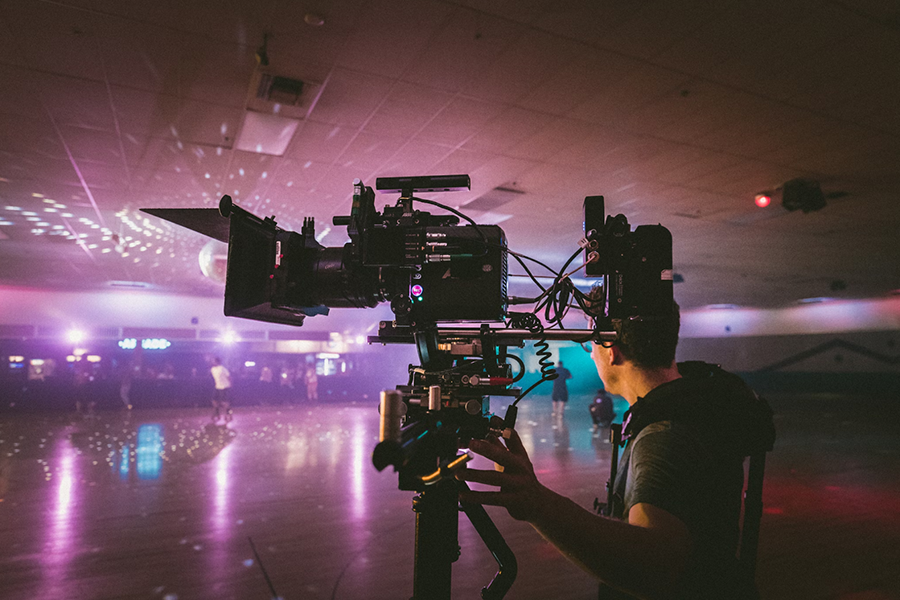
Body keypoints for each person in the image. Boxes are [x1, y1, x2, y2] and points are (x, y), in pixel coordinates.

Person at [458, 302, 775, 599]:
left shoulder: (663, 435)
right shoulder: (695, 404)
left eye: (591, 346)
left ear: (611, 350)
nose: (592, 357)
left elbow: (655, 568)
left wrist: (537, 504)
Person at [209, 357, 232, 423]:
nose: (212, 362)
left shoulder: (223, 369)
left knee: (224, 402)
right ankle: (217, 413)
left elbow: (229, 377)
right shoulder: (212, 369)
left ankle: (228, 413)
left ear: (217, 362)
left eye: (213, 361)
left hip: (224, 387)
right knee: (214, 401)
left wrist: (230, 384)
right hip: (217, 387)